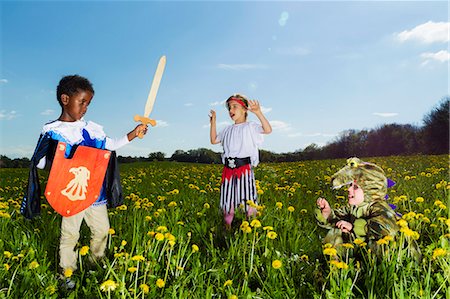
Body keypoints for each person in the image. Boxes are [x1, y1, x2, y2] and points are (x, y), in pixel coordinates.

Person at [20, 75, 148, 288]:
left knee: (101, 230)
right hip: (69, 193)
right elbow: (40, 162)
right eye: (82, 102)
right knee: (69, 234)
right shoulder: (53, 131)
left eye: (88, 103)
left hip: (95, 193)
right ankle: (66, 273)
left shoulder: (91, 129)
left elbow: (111, 145)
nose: (86, 108)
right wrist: (56, 164)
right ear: (65, 99)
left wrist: (133, 134)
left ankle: (94, 264)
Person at [209, 94, 272, 230]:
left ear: (244, 109)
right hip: (228, 170)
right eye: (229, 108)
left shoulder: (251, 126)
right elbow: (214, 140)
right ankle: (227, 227)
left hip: (244, 168)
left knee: (247, 197)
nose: (231, 110)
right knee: (227, 199)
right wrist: (213, 121)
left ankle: (252, 227)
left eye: (234, 107)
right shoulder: (227, 129)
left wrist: (258, 113)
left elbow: (267, 130)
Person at [315, 157, 400, 257]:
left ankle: (374, 268)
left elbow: (387, 227)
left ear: (370, 190)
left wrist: (354, 227)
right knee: (336, 232)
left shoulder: (379, 207)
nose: (349, 189)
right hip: (362, 247)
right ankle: (336, 264)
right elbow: (338, 219)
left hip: (390, 254)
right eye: (350, 185)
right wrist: (328, 213)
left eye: (355, 187)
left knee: (378, 243)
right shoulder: (354, 208)